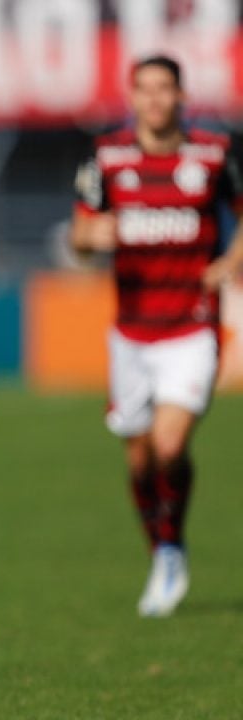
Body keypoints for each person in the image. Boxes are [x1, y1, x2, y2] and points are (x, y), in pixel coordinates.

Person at [71, 55, 243, 618]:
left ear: (180, 95)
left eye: (163, 88)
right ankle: (162, 548)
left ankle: (171, 549)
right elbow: (79, 237)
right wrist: (94, 237)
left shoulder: (213, 154)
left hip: (192, 325)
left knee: (170, 446)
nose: (153, 99)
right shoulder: (107, 156)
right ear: (132, 96)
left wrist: (229, 263)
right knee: (141, 460)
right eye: (143, 89)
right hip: (131, 332)